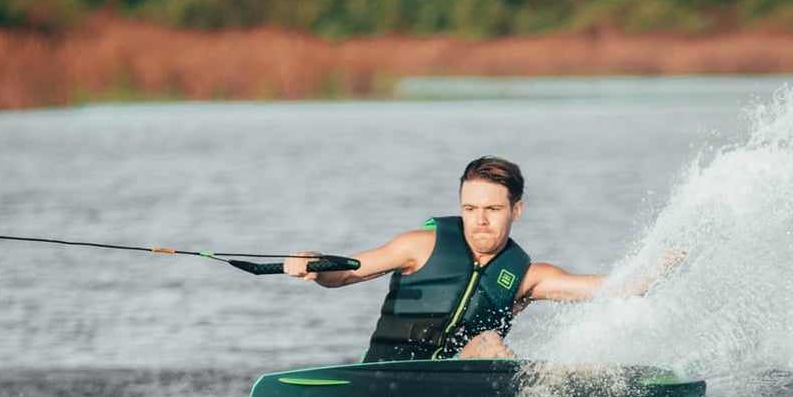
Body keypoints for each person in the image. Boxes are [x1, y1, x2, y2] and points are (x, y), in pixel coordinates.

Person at [283, 155, 669, 362]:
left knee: (488, 344)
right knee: (488, 345)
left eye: (493, 209)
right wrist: (313, 263)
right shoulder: (419, 245)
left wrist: (653, 272)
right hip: (387, 378)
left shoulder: (527, 278)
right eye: (470, 208)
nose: (480, 221)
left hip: (456, 388)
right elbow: (345, 274)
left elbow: (607, 289)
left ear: (516, 211)